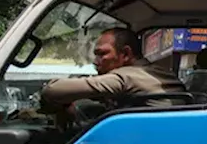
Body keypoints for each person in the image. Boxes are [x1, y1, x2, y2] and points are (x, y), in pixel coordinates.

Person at [40, 28, 186, 112]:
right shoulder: (158, 73)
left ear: (125, 54)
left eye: (102, 54)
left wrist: (65, 103)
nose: (96, 61)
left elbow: (52, 89)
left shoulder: (127, 76)